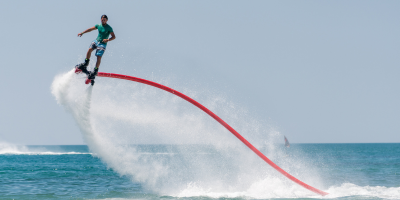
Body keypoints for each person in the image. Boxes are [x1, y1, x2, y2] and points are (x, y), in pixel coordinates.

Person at [75, 14, 116, 81]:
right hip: (96, 41)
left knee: (98, 56)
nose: (103, 21)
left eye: (104, 20)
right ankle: (86, 63)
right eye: (102, 20)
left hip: (103, 44)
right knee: (89, 49)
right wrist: (82, 33)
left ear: (107, 20)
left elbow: (114, 37)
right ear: (101, 19)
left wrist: (108, 40)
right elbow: (90, 29)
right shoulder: (98, 25)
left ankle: (95, 70)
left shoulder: (109, 28)